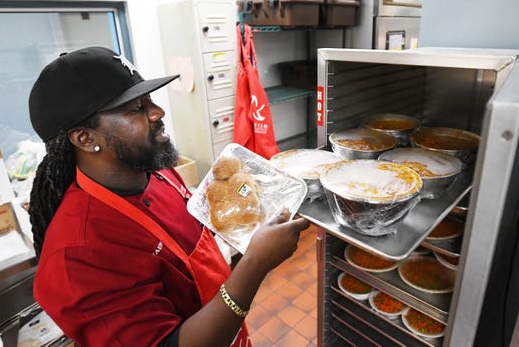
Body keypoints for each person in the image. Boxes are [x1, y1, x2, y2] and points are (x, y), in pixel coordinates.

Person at [27, 46, 310, 347]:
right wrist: (254, 264)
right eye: (135, 108)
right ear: (85, 138)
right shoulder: (78, 255)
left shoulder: (155, 171)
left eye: (148, 99)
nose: (157, 112)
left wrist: (247, 208)